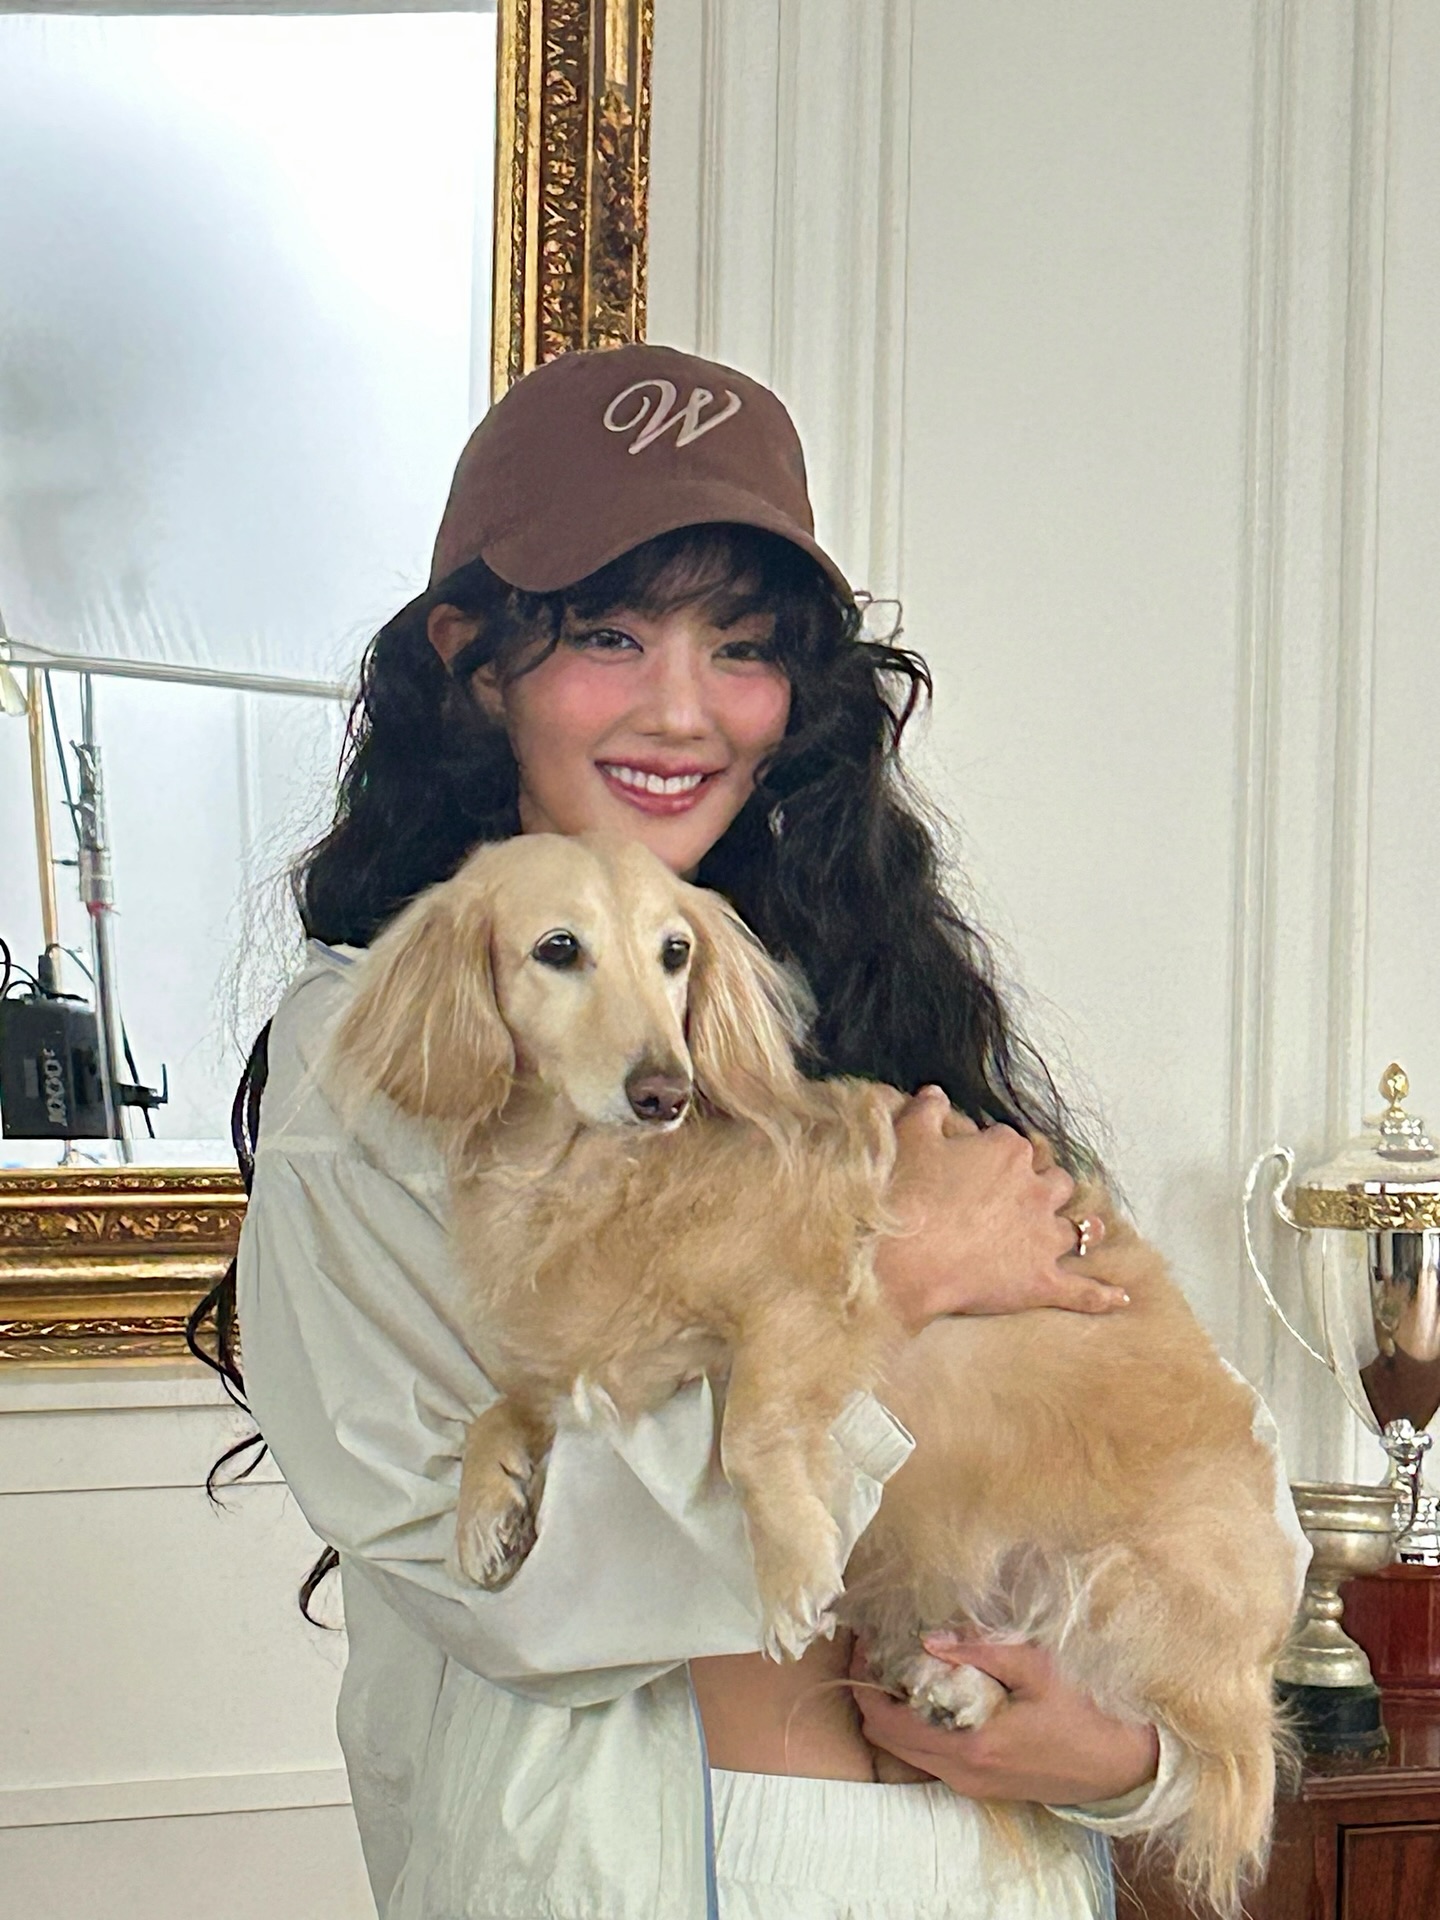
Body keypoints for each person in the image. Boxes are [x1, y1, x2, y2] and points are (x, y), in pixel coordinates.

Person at [224, 343, 1207, 1920]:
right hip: (648, 1872)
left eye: (741, 649)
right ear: (476, 662)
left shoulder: (871, 999)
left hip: (999, 1864)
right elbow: (514, 1594)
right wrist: (892, 1283)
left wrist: (1128, 1755)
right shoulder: (371, 1061)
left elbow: (1153, 1430)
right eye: (608, 635)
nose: (682, 711)